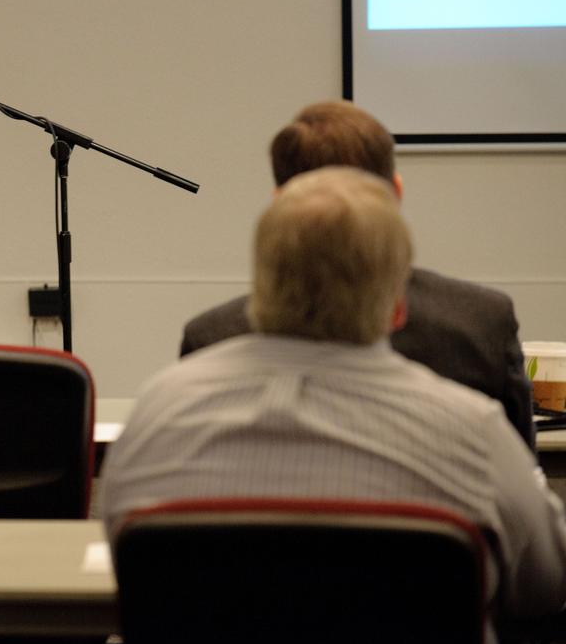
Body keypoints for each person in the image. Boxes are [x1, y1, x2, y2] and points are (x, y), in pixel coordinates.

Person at [102, 166, 566, 638]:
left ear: (259, 285)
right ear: (399, 307)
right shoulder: (474, 434)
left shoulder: (158, 415)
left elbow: (128, 569)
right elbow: (545, 587)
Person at [180, 100, 534, 447]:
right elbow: (522, 471)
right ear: (396, 192)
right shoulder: (480, 324)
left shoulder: (211, 339)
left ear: (278, 202)